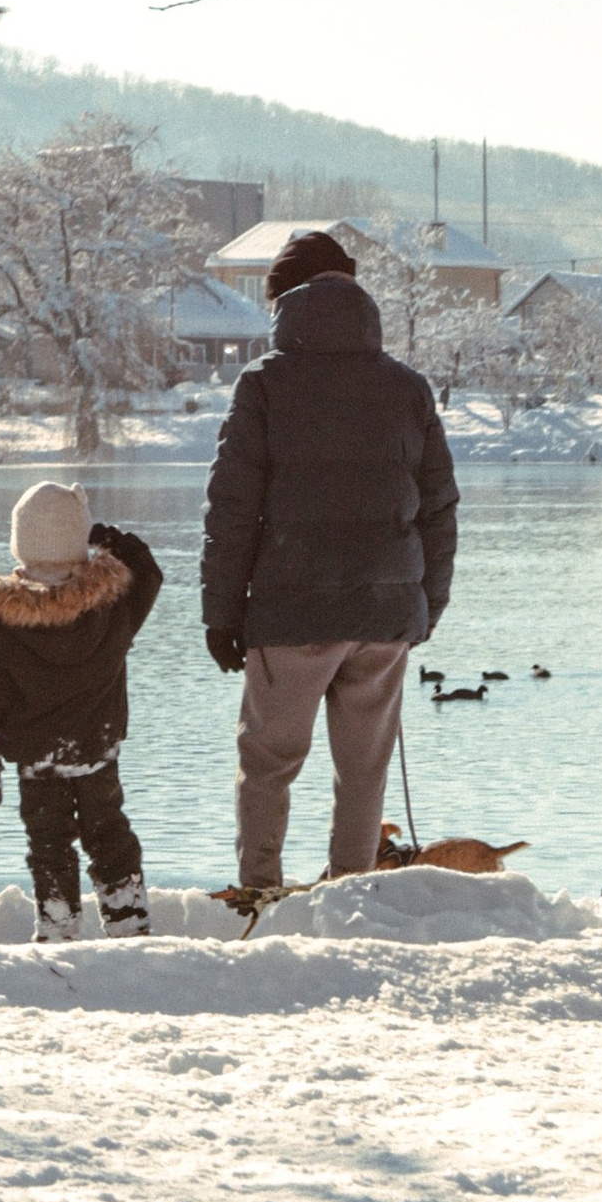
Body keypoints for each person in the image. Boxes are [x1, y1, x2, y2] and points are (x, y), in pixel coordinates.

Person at [198, 229, 458, 903]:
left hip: (291, 611)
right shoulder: (407, 386)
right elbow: (439, 506)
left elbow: (232, 509)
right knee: (364, 768)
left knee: (268, 763)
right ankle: (351, 895)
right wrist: (427, 600)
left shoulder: (264, 385)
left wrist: (221, 615)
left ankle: (259, 891)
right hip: (385, 612)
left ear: (285, 299)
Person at [0, 482, 161, 942]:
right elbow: (148, 572)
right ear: (78, 542)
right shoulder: (112, 605)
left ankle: (58, 925)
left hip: (38, 758)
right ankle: (127, 917)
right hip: (97, 746)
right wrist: (98, 532)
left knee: (48, 842)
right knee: (108, 831)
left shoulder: (1, 618)